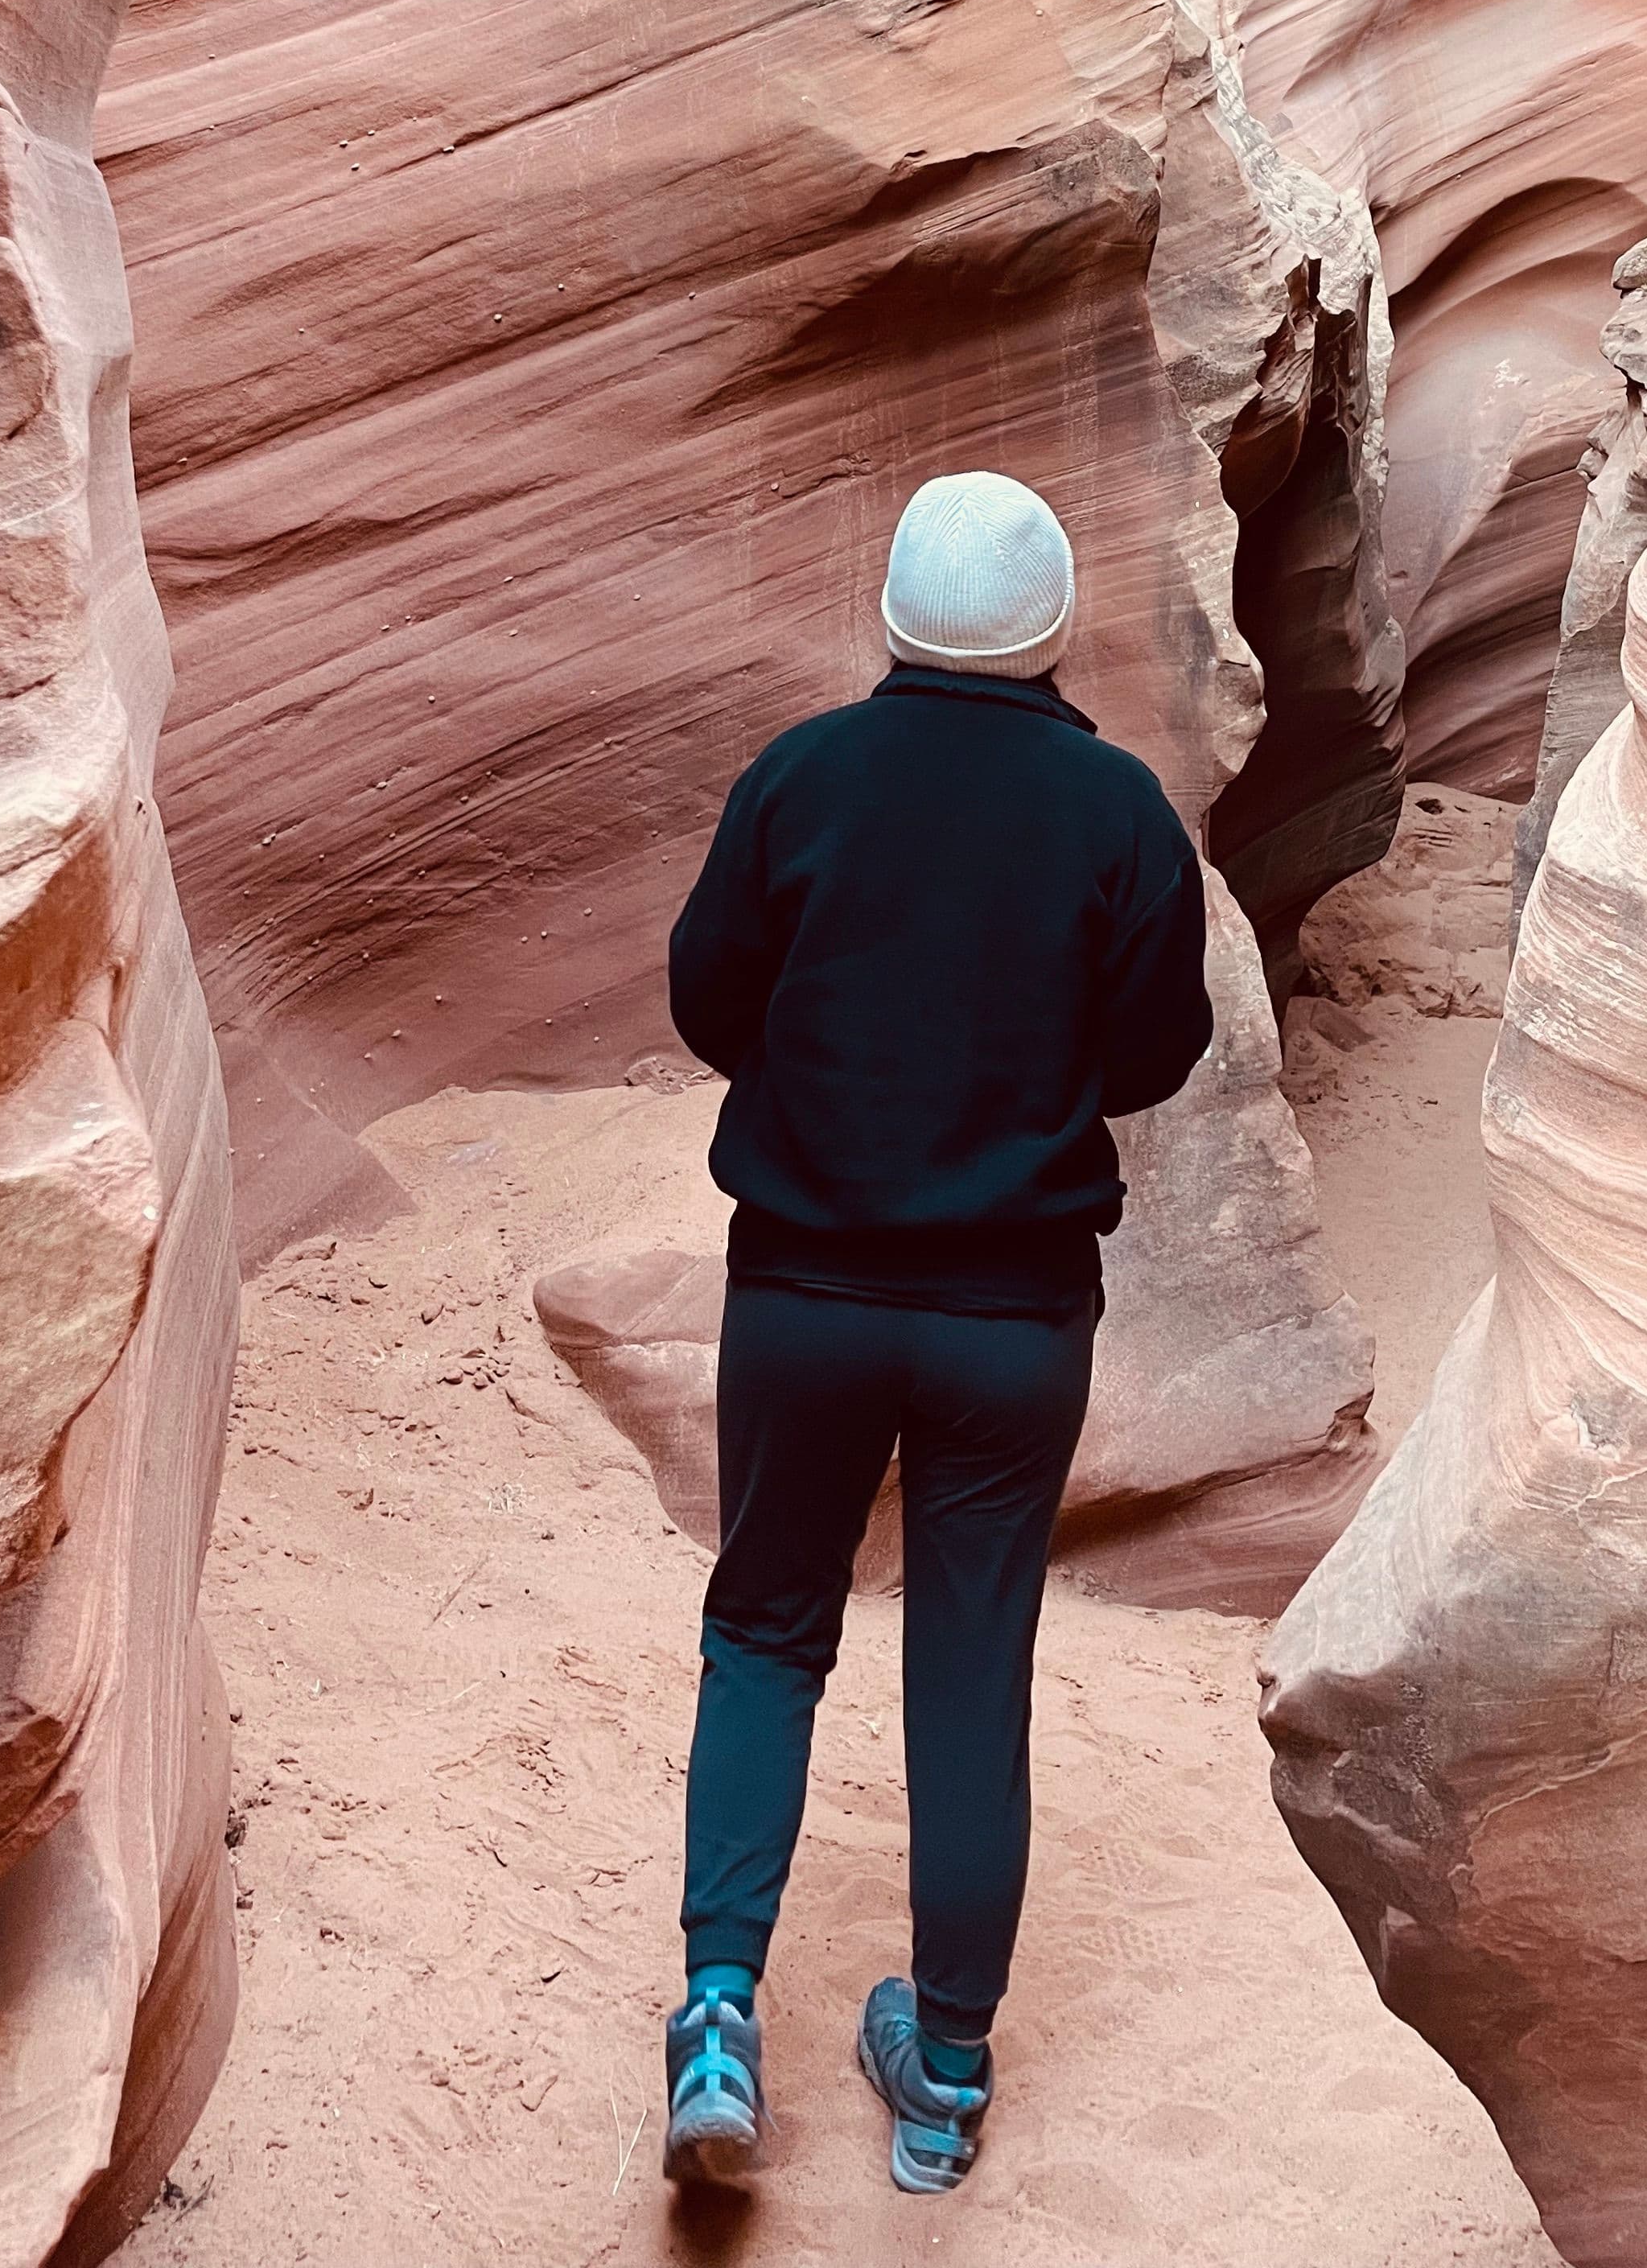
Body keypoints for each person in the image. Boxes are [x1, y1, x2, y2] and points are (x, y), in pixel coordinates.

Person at [657, 469, 1214, 2195]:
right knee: (968, 1663)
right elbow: (1152, 1057)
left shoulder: (799, 779)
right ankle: (947, 2070)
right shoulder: (1122, 816)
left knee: (765, 1632)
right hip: (1012, 1322)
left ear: (893, 616)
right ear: (1050, 629)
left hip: (806, 1297)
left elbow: (706, 1003)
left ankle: (721, 2019)